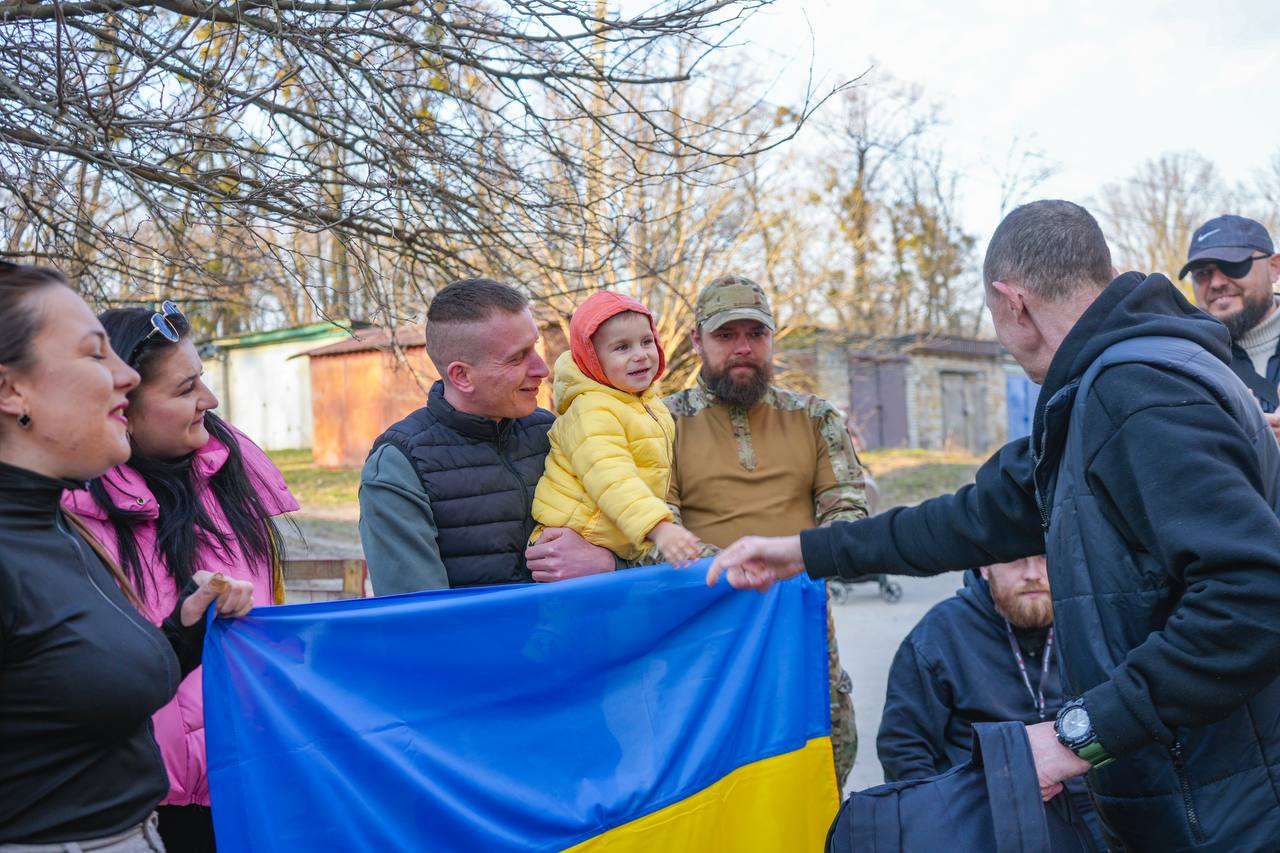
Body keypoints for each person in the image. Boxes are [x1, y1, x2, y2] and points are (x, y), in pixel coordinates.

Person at [708, 200, 1280, 850]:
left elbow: (1252, 599)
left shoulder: (1137, 394)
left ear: (1013, 303)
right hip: (1186, 799)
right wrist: (806, 551)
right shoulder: (1093, 394)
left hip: (1227, 814)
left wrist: (1079, 734)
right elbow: (967, 520)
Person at [0, 263, 254, 850]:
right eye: (95, 354)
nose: (125, 376)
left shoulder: (54, 527)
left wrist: (183, 632)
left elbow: (64, 691)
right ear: (11, 391)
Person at [61, 303, 298, 852]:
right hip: (143, 804)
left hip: (254, 774)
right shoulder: (68, 516)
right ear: (121, 406)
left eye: (202, 379)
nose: (209, 400)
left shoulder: (231, 469)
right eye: (186, 388)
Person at [663, 274, 867, 790]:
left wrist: (793, 558)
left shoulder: (815, 418)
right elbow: (653, 527)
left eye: (756, 334)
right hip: (704, 636)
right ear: (696, 341)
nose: (743, 348)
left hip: (801, 624)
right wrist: (732, 567)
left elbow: (849, 514)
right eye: (726, 335)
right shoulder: (662, 424)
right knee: (715, 783)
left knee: (821, 770)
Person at [360, 278, 617, 594]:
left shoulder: (554, 433)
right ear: (462, 376)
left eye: (534, 347)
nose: (542, 369)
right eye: (517, 357)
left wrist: (609, 564)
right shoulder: (400, 466)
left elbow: (643, 533)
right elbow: (419, 614)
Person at [877, 556, 1104, 851]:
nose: (1032, 574)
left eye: (1043, 558)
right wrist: (942, 825)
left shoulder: (1092, 622)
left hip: (1092, 813)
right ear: (984, 566)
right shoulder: (939, 633)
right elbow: (903, 748)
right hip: (980, 818)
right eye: (1014, 560)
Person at [530, 291, 702, 564]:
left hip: (616, 541)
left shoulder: (648, 404)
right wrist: (659, 528)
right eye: (622, 347)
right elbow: (611, 476)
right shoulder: (592, 409)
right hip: (570, 542)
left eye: (646, 341)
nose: (641, 355)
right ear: (593, 359)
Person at [1178, 215, 1280, 439]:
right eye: (1202, 273)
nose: (1216, 283)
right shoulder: (1185, 364)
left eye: (1233, 265)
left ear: (1274, 267)